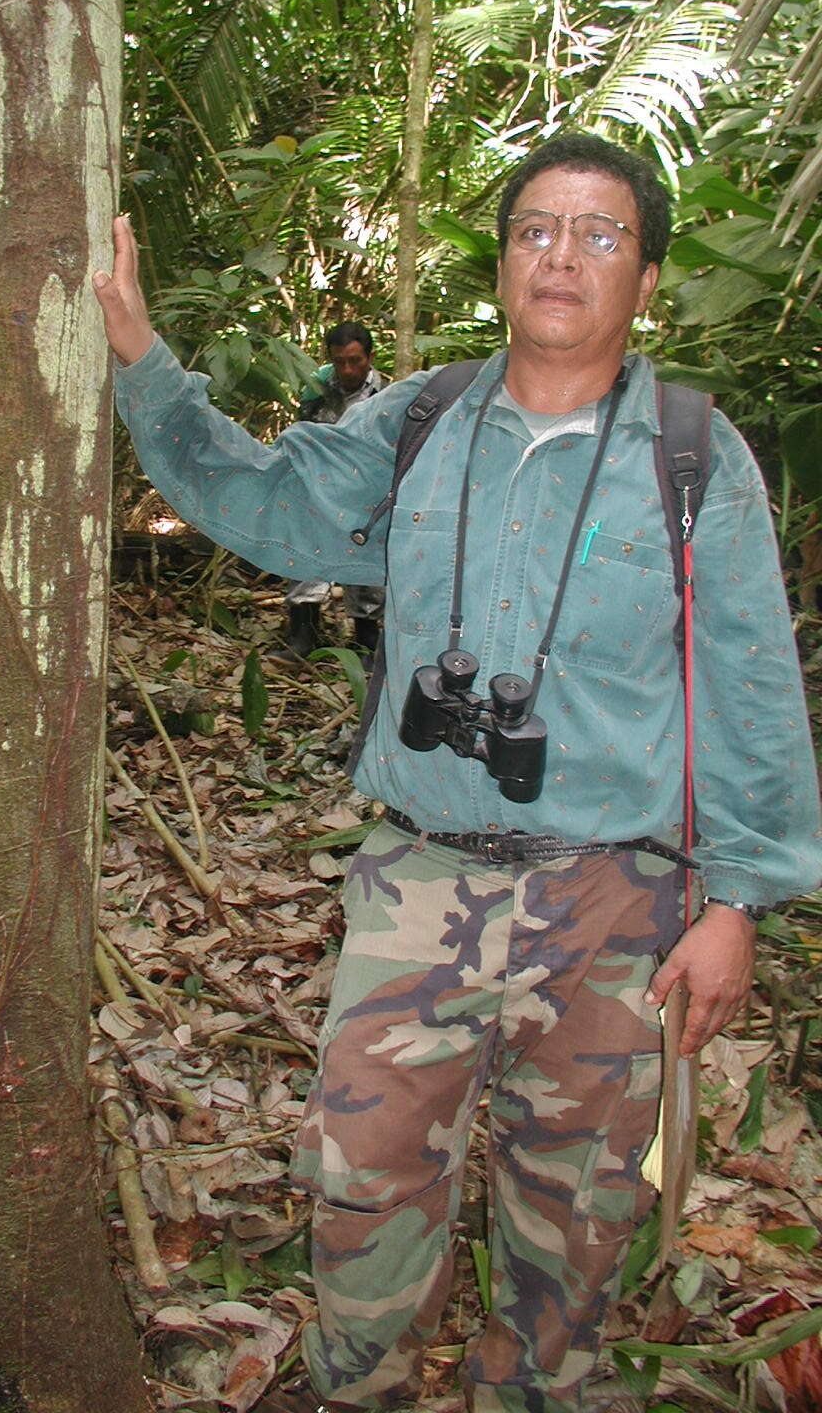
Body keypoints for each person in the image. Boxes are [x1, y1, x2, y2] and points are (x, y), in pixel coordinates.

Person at [93, 133, 820, 1413]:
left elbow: (750, 690)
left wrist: (736, 904)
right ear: (500, 260)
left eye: (600, 235)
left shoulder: (695, 459)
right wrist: (140, 352)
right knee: (362, 1176)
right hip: (420, 877)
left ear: (646, 276)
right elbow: (267, 503)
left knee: (580, 1218)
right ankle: (361, 1384)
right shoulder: (421, 420)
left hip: (617, 904)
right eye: (537, 226)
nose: (563, 255)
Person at [284, 322, 387, 659]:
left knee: (367, 566)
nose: (347, 370)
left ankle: (366, 637)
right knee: (307, 553)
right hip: (321, 486)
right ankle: (303, 635)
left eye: (355, 361)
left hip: (366, 491)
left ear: (370, 357)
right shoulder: (317, 388)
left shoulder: (386, 394)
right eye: (340, 361)